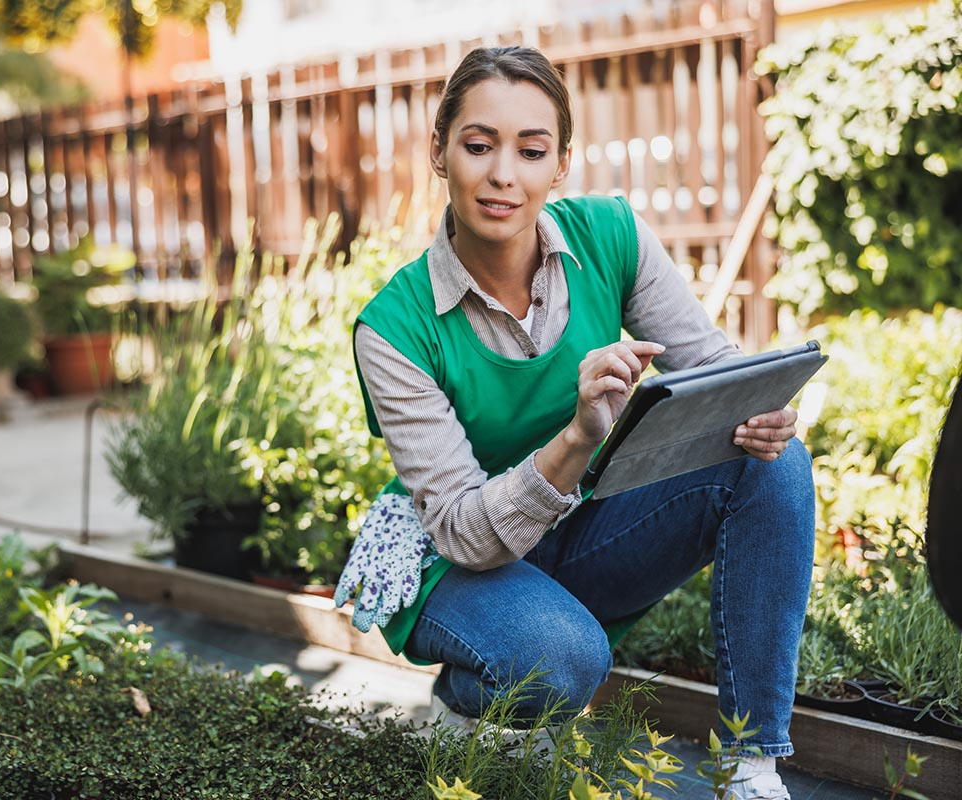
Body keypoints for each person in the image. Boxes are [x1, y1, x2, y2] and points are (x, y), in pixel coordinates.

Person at [333, 45, 813, 800]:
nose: (503, 175)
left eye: (531, 151)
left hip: (583, 527)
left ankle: (751, 765)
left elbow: (714, 367)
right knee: (561, 662)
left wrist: (759, 409)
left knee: (771, 461)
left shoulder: (609, 237)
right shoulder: (394, 329)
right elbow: (462, 529)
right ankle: (467, 693)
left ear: (560, 164)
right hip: (457, 558)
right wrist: (579, 434)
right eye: (479, 145)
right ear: (439, 151)